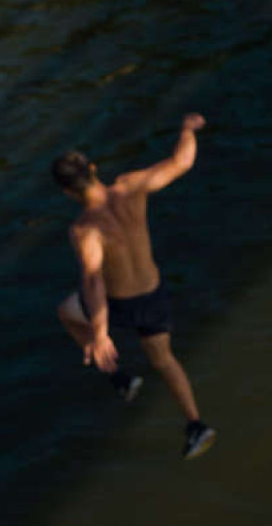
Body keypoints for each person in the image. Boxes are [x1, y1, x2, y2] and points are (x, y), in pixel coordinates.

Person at [52, 113, 216, 460]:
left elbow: (94, 279)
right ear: (94, 168)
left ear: (67, 192)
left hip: (120, 305)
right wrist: (187, 129)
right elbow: (182, 161)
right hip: (153, 294)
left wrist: (99, 334)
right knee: (164, 359)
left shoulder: (84, 229)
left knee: (66, 312)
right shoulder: (130, 186)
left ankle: (120, 378)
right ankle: (196, 424)